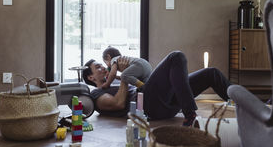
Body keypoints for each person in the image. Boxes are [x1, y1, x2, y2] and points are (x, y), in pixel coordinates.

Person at [83, 51, 231, 126]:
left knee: (211, 73)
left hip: (165, 101)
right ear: (90, 77)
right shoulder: (96, 94)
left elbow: (133, 81)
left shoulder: (114, 81)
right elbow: (118, 104)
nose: (103, 67)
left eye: (102, 64)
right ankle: (189, 113)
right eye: (97, 67)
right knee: (175, 56)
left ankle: (242, 104)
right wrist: (125, 76)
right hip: (148, 106)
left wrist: (126, 72)